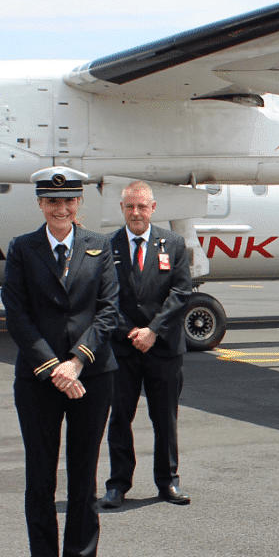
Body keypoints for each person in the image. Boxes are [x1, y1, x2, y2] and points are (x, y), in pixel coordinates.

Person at [1, 167, 119, 557]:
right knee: (40, 479)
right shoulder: (23, 249)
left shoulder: (99, 246)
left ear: (79, 204)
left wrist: (76, 362)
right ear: (40, 204)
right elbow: (16, 313)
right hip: (38, 378)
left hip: (91, 375)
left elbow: (108, 311)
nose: (61, 209)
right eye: (52, 202)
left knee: (83, 477)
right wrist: (53, 366)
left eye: (69, 201)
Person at [102, 181, 194, 508]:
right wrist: (132, 333)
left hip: (164, 348)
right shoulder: (106, 246)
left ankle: (168, 482)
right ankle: (118, 483)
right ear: (122, 209)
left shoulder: (174, 244)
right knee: (119, 419)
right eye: (130, 206)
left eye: (142, 206)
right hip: (123, 349)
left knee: (165, 419)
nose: (136, 212)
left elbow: (181, 292)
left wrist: (153, 330)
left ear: (153, 208)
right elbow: (104, 299)